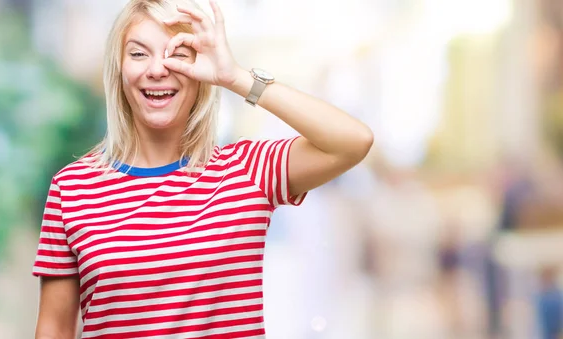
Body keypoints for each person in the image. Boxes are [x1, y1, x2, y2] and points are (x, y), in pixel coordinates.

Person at [32, 0, 374, 338]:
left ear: (200, 71)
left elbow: (352, 141)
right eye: (138, 54)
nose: (157, 69)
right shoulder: (73, 188)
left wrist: (236, 77)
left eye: (177, 54)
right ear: (118, 69)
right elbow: (54, 329)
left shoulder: (247, 171)